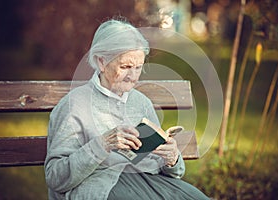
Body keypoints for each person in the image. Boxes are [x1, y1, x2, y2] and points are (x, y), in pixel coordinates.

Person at [44, 18, 210, 200]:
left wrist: (172, 159)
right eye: (125, 67)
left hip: (147, 183)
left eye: (138, 67)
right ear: (101, 62)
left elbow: (170, 172)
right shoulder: (74, 105)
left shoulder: (141, 103)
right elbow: (55, 177)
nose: (132, 77)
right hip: (99, 186)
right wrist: (103, 144)